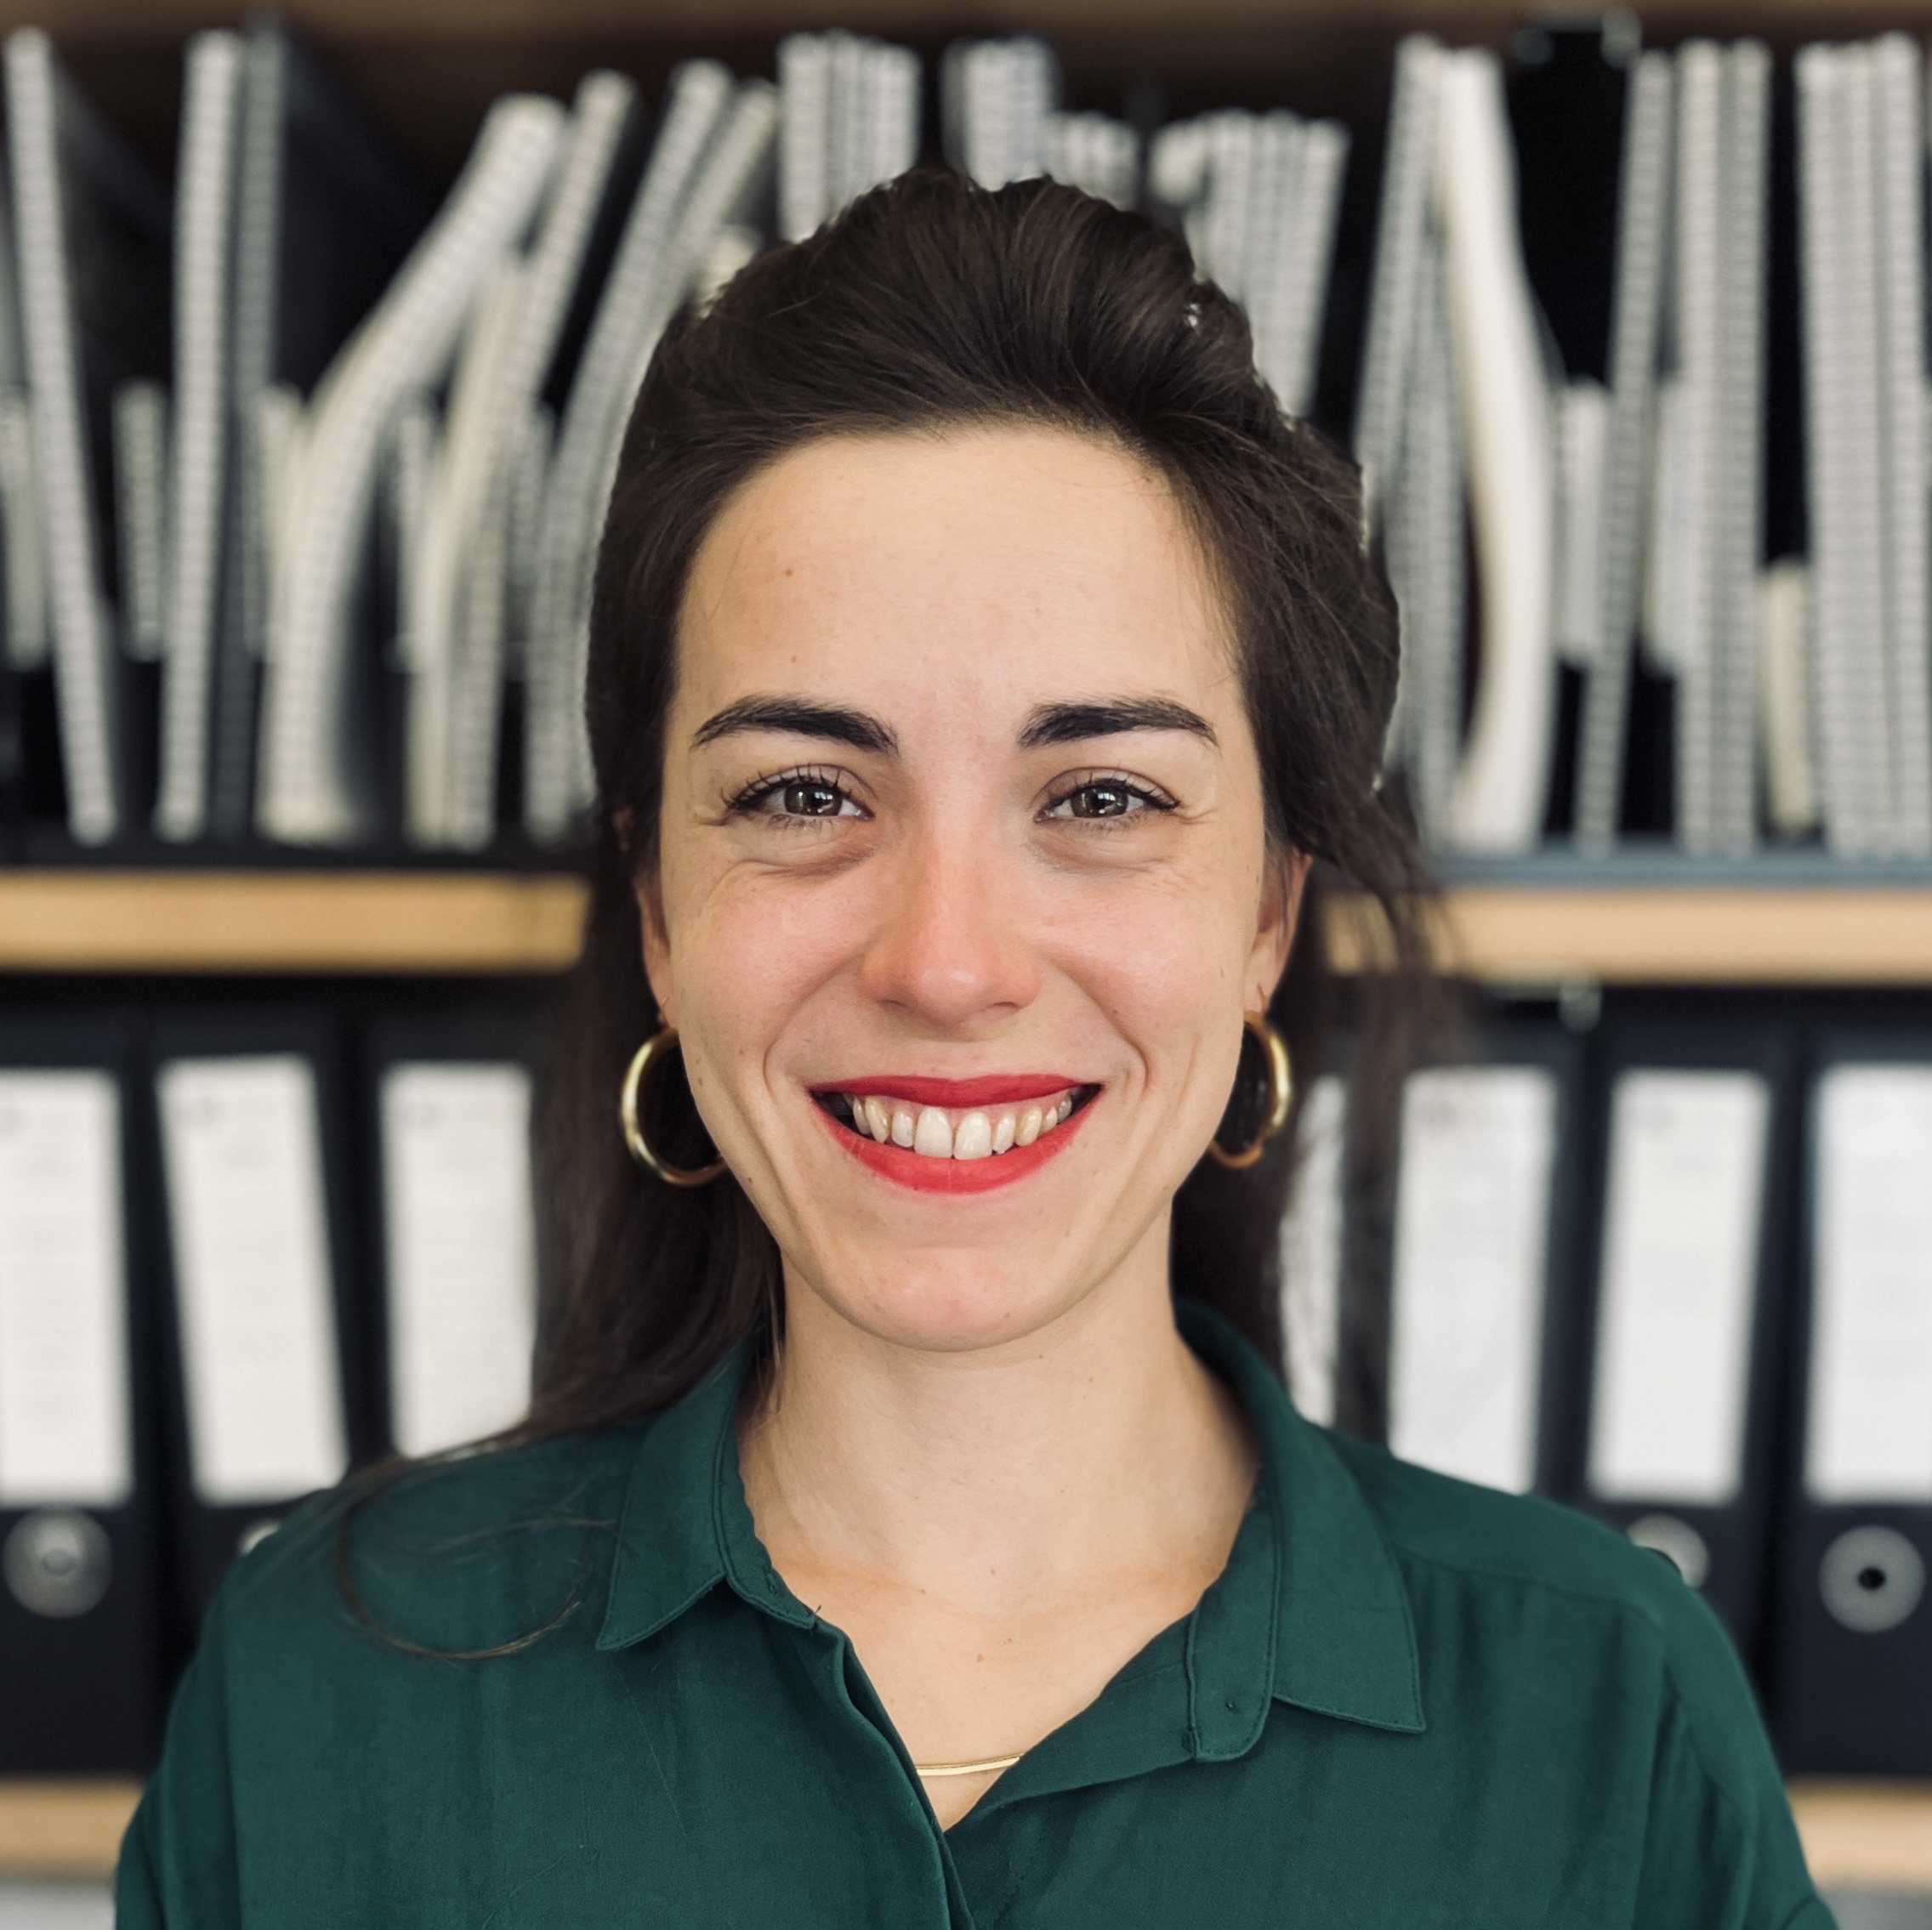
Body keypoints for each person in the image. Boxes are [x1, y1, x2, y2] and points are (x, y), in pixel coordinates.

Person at [117, 172, 1831, 1928]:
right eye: (801, 793)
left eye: (1097, 796)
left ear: (1262, 914)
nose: (944, 963)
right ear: (655, 909)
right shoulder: (326, 1689)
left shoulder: (1606, 1713)